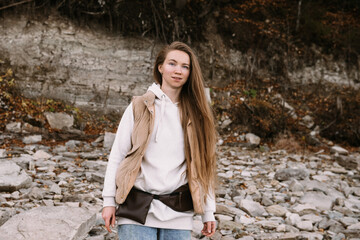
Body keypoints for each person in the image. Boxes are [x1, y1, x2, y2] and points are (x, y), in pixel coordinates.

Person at [101, 41, 217, 240]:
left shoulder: (197, 116)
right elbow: (118, 156)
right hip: (136, 209)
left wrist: (208, 211)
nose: (178, 70)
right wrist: (109, 201)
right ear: (160, 67)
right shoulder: (139, 107)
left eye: (185, 66)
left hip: (178, 212)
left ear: (190, 73)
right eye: (172, 63)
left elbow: (204, 166)